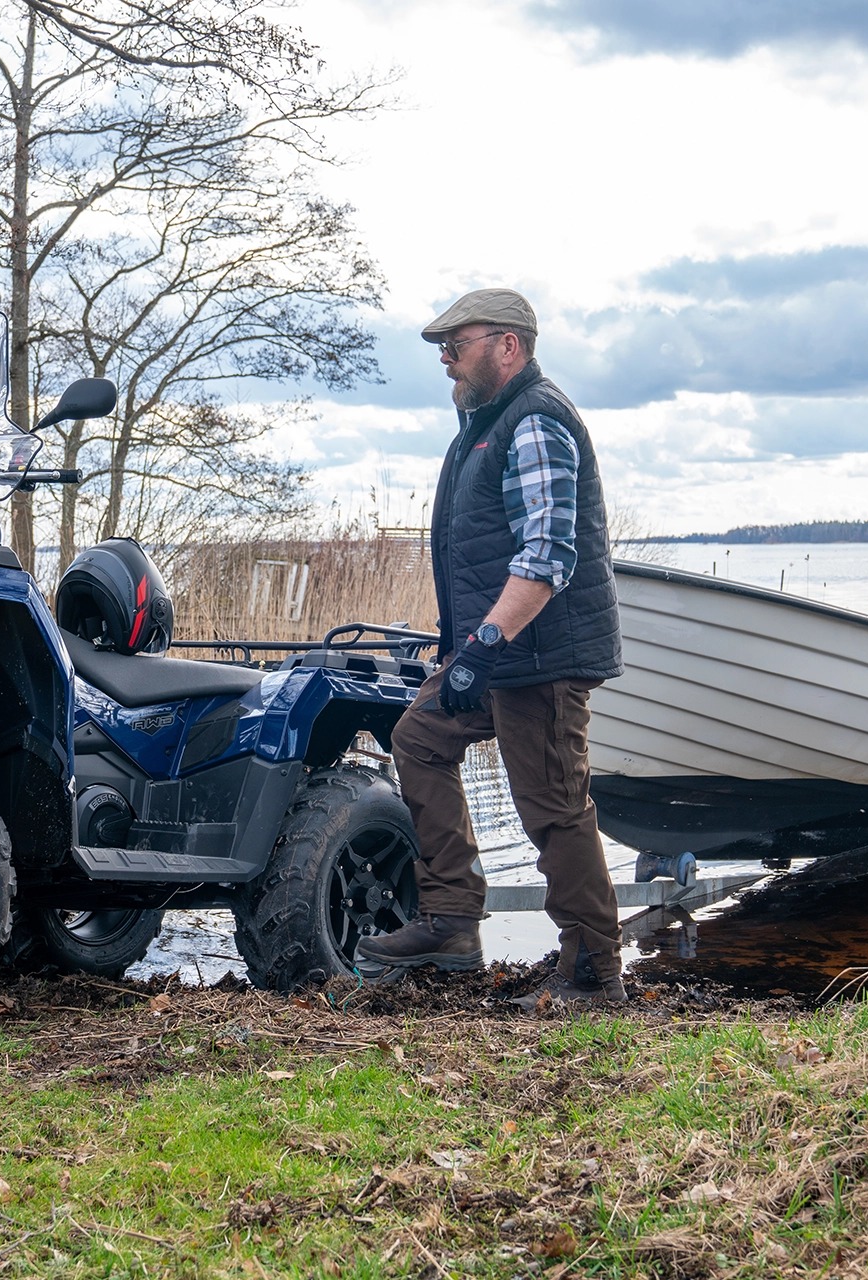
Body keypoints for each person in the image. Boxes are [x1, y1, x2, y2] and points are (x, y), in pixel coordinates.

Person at [356, 287, 627, 1006]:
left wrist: (480, 647)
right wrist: (468, 649)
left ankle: (594, 970)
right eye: (441, 349)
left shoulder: (535, 420)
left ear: (509, 345)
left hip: (540, 655)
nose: (445, 360)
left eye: (458, 344)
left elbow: (546, 556)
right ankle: (450, 920)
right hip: (499, 651)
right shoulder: (485, 425)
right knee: (418, 739)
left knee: (552, 805)